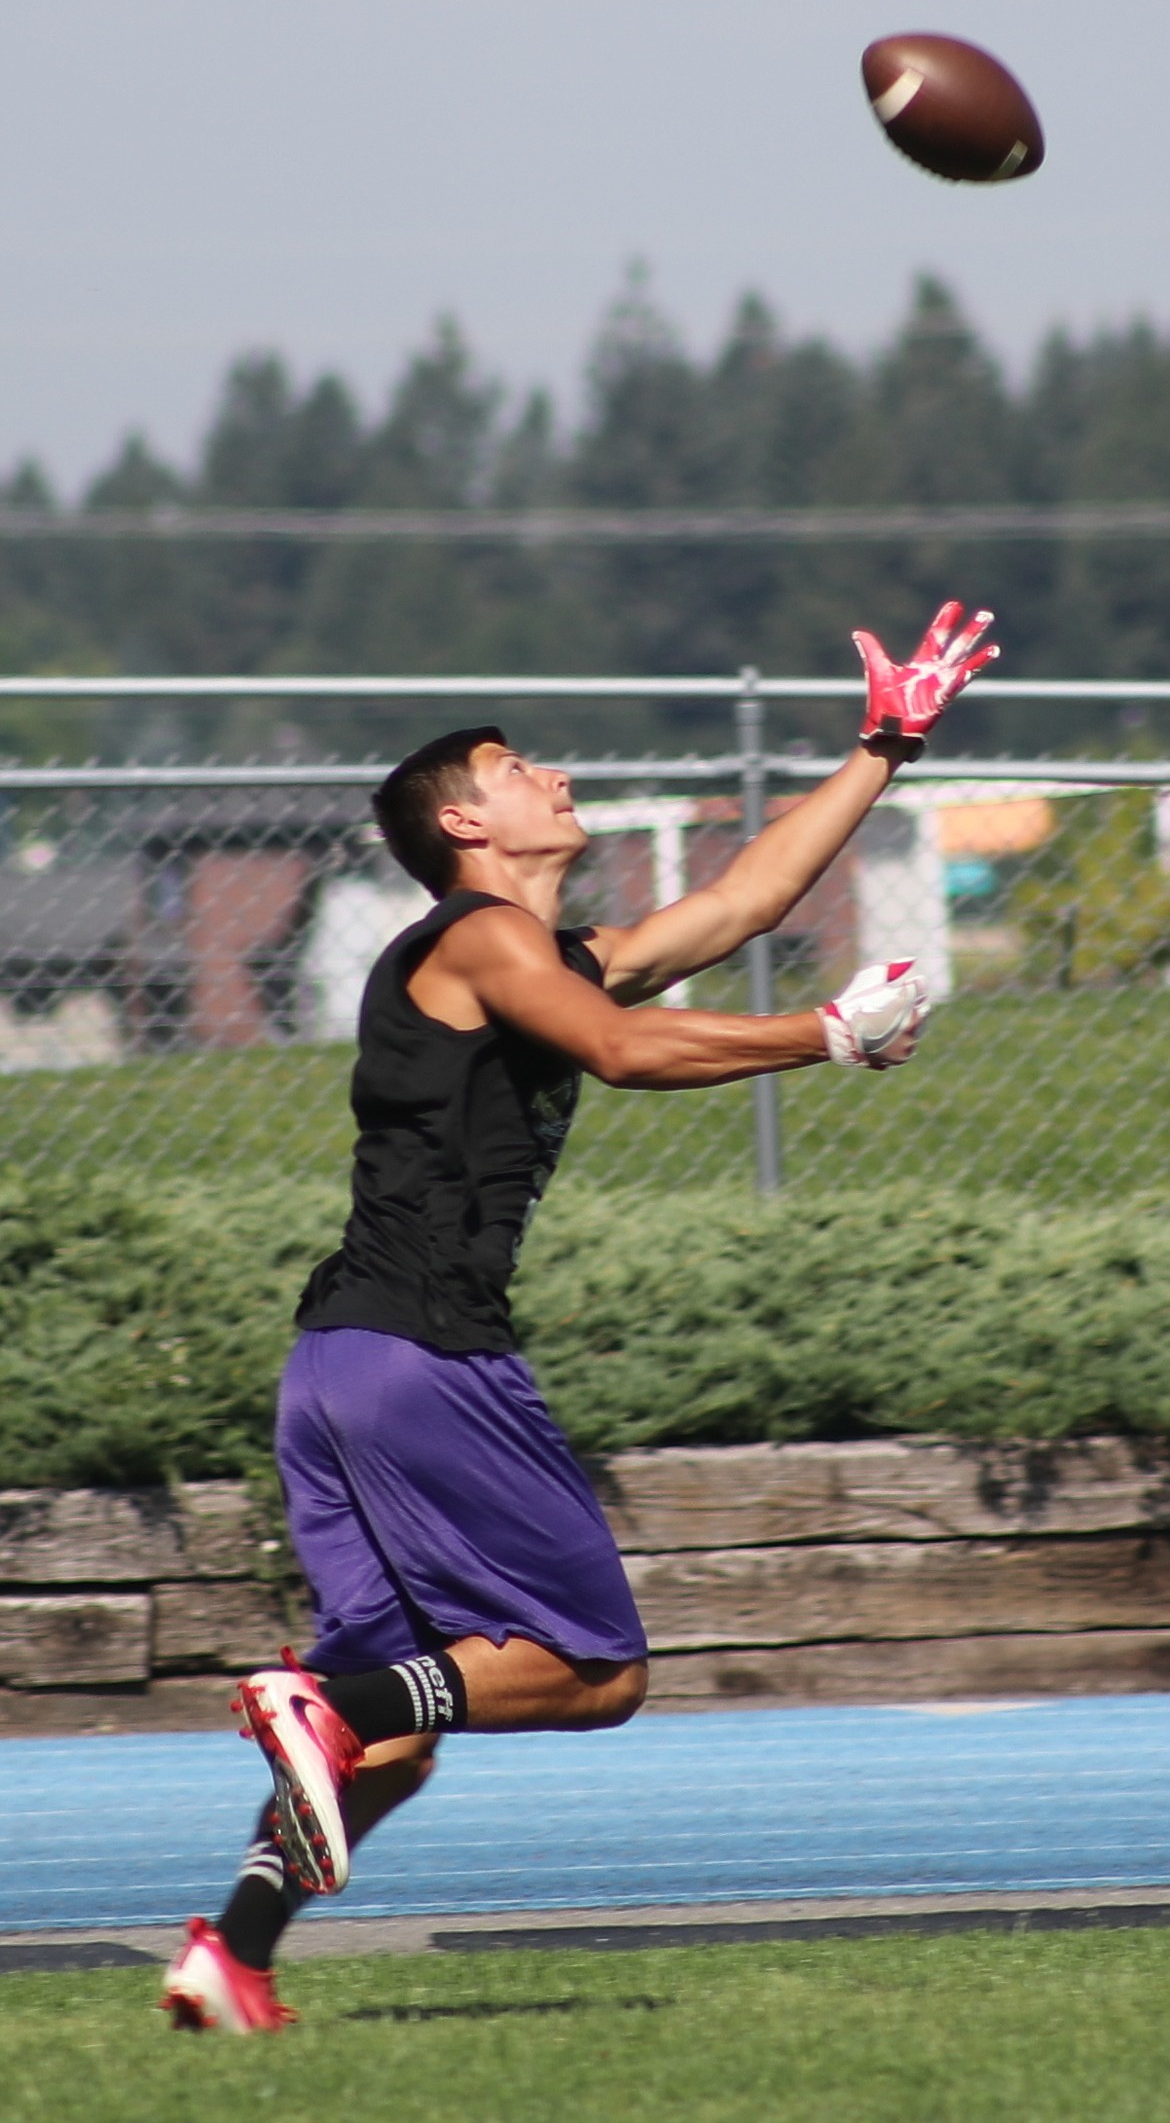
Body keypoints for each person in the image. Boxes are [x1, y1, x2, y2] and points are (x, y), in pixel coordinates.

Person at [161, 599, 997, 2031]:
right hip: (424, 1356)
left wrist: (884, 744)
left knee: (405, 1725)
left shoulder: (538, 957)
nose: (551, 775)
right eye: (516, 767)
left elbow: (738, 905)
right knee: (595, 1671)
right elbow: (616, 1054)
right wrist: (824, 1032)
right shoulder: (479, 936)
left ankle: (231, 1951)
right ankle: (331, 1709)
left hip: (340, 1365)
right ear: (466, 827)